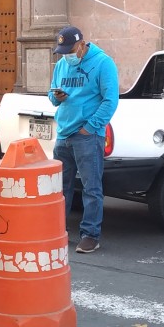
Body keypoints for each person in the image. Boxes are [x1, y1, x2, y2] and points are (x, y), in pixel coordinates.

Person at [48, 25, 119, 253]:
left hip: (87, 136)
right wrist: (56, 97)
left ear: (81, 44)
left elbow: (110, 100)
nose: (66, 55)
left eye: (70, 50)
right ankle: (57, 229)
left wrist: (90, 128)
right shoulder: (61, 65)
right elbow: (51, 95)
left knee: (91, 188)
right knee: (60, 188)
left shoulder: (103, 63)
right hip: (64, 134)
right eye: (62, 51)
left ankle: (90, 235)